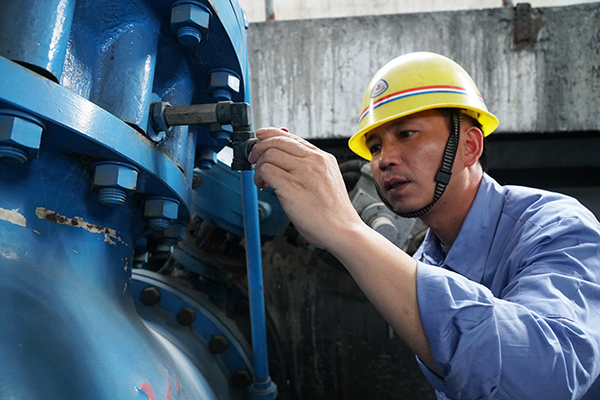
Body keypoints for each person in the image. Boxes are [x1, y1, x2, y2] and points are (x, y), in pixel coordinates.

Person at [248, 52, 600, 399]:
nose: (384, 160)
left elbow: (548, 377)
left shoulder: (556, 227)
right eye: (375, 146)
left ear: (469, 146)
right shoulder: (424, 263)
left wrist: (346, 230)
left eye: (406, 133)